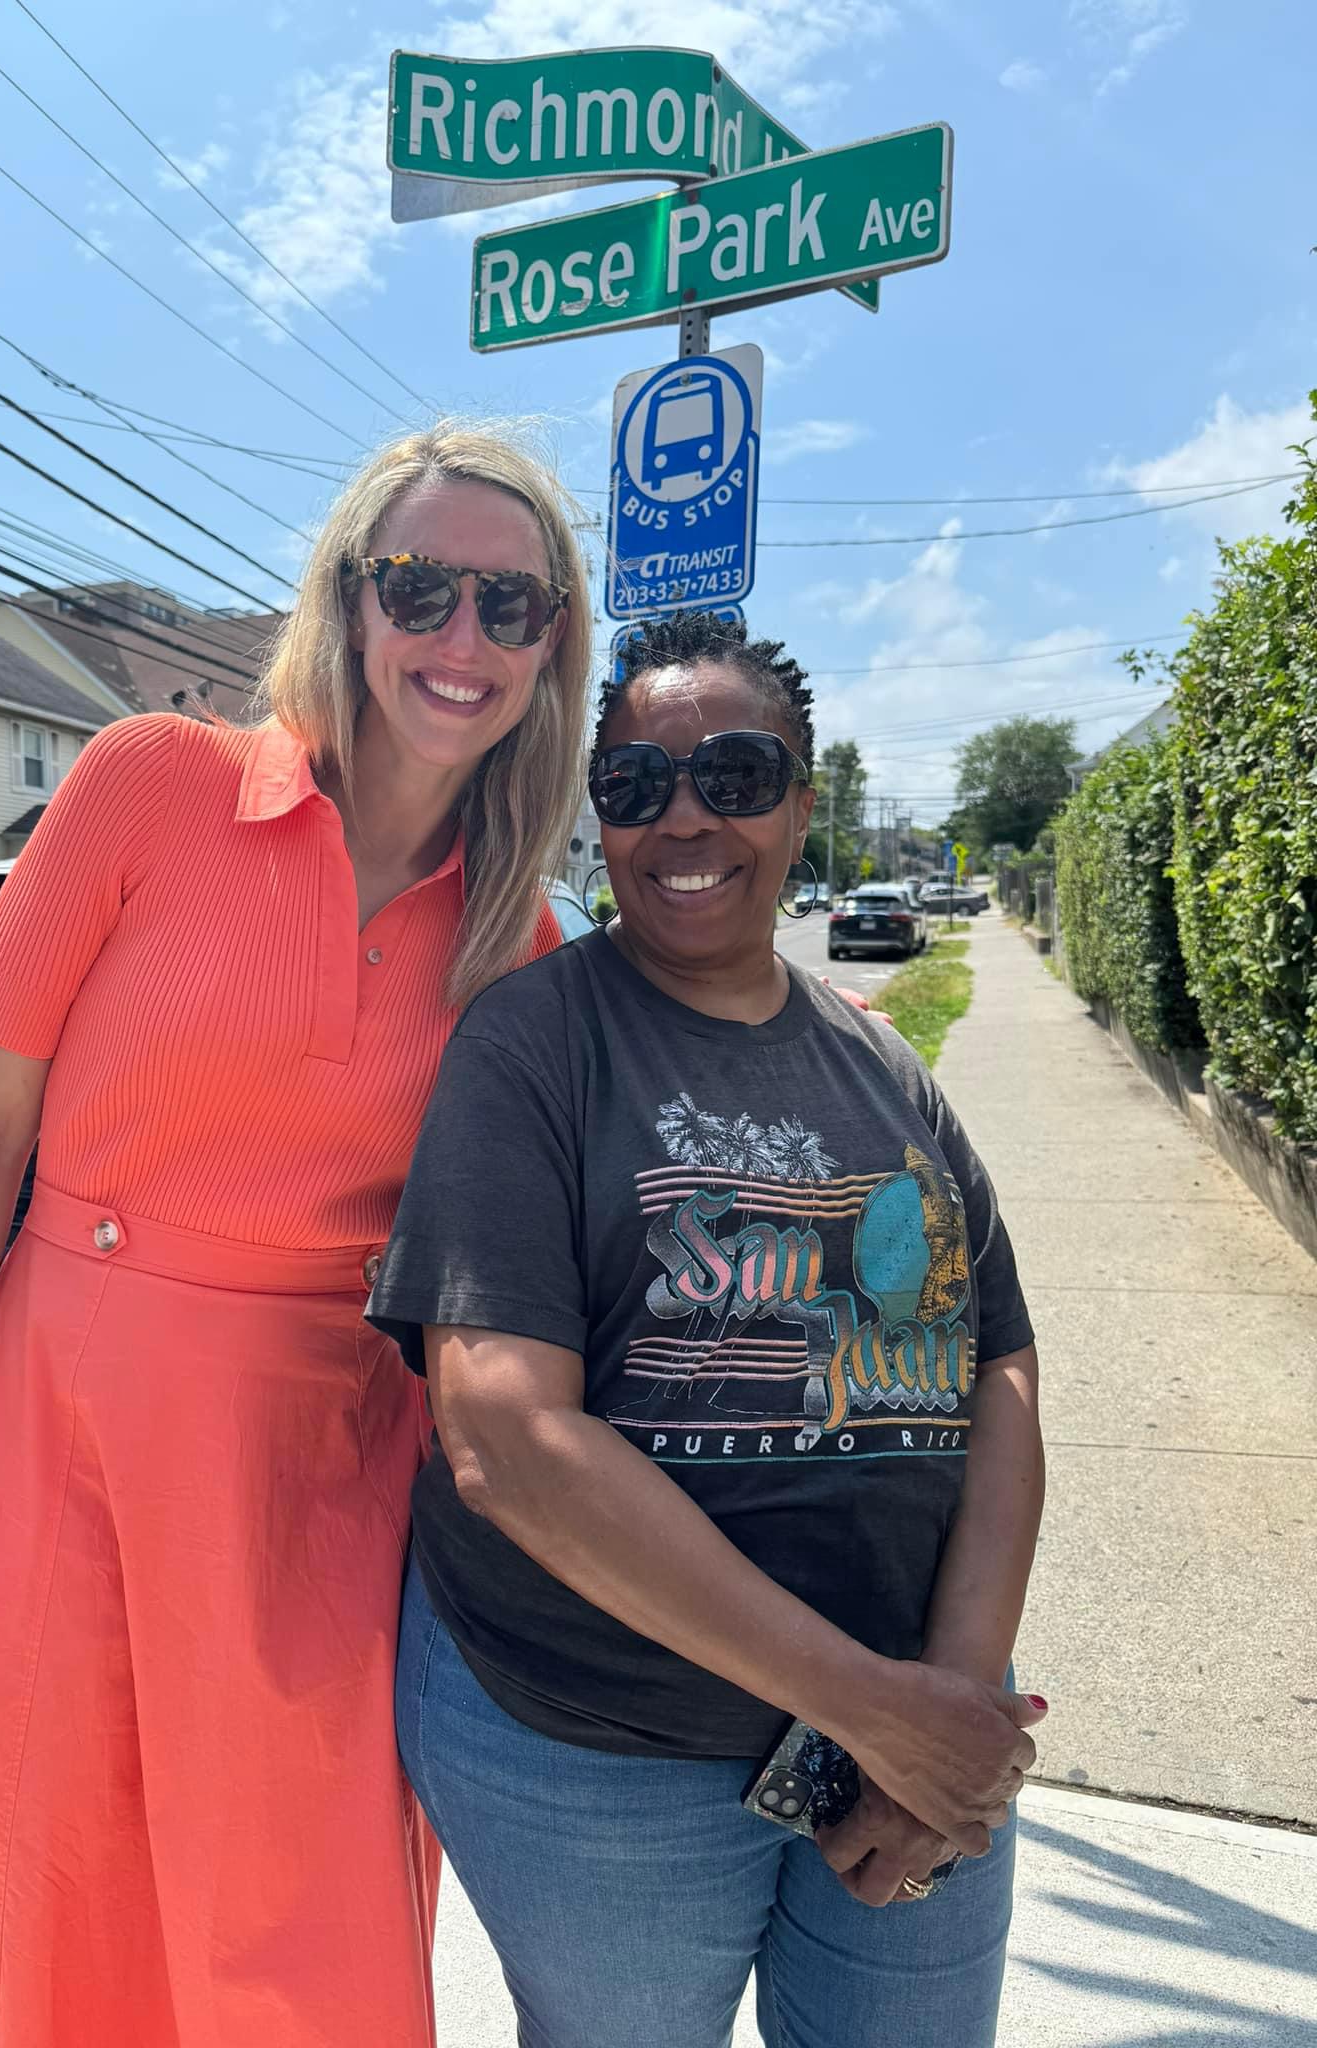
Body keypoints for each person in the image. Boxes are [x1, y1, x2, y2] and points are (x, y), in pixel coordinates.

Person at [0, 422, 594, 2048]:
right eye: (422, 588)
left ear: (552, 647)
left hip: (320, 1479)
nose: (460, 639)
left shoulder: (516, 937)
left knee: (291, 1932)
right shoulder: (146, 785)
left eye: (509, 607)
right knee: (47, 1873)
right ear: (351, 600)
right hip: (62, 1429)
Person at [369, 609, 1048, 2048]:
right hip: (601, 1755)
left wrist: (946, 1715)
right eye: (634, 786)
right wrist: (878, 1707)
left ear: (804, 805)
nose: (685, 816)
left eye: (737, 774)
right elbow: (503, 1434)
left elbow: (1000, 1372)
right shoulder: (533, 1043)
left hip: (909, 1735)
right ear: (598, 821)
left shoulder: (883, 1062)